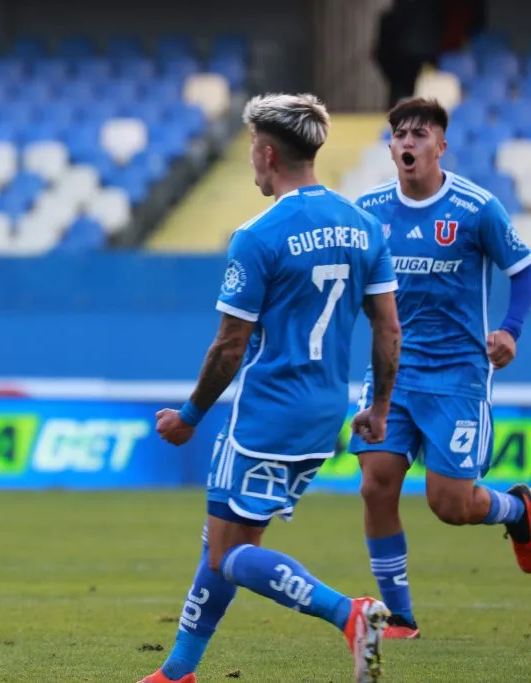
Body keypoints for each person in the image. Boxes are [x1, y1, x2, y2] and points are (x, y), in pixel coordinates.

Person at [140, 93, 402, 683]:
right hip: (325, 412)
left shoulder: (258, 236)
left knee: (227, 555)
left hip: (266, 412)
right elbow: (388, 327)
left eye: (252, 154)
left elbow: (229, 345)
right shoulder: (365, 227)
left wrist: (189, 414)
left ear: (264, 153)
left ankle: (350, 613)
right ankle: (179, 670)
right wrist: (378, 408)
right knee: (228, 539)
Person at [349, 96, 531, 640]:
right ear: (390, 146)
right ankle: (399, 615)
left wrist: (511, 331)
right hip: (393, 373)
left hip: (457, 375)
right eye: (400, 135)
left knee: (450, 505)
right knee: (376, 484)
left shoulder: (477, 209)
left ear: (440, 146)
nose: (408, 143)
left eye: (420, 135)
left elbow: (523, 269)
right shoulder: (370, 210)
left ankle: (519, 511)